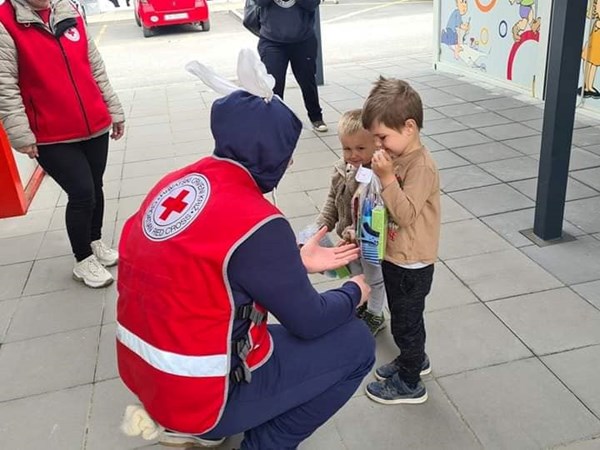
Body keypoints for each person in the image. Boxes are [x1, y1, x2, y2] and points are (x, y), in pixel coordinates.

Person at [116, 85, 375, 448]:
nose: (291, 164)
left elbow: (208, 268)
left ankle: (201, 428)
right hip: (200, 394)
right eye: (287, 155)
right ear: (272, 157)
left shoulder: (175, 183)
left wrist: (293, 262)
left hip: (147, 376)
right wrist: (355, 291)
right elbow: (310, 319)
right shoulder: (258, 222)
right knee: (357, 343)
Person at [0, 0, 125, 288]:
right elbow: (5, 86)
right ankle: (83, 260)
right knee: (82, 192)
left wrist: (113, 110)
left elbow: (95, 66)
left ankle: (94, 241)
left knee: (96, 186)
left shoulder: (68, 9)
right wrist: (21, 135)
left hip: (94, 123)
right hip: (51, 134)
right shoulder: (6, 22)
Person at [361, 77, 440, 405]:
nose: (378, 145)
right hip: (397, 256)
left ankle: (410, 383)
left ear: (409, 127)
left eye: (382, 137)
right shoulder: (399, 158)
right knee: (405, 316)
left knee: (406, 322)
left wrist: (387, 178)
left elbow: (406, 214)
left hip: (412, 262)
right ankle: (414, 358)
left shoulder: (421, 166)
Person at [313, 109, 387, 336]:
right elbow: (332, 201)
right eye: (347, 148)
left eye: (360, 149)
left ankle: (376, 313)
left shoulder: (378, 175)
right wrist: (321, 225)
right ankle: (362, 304)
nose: (353, 155)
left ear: (375, 145)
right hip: (349, 241)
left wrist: (358, 229)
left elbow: (379, 209)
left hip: (370, 240)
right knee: (356, 274)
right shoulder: (340, 170)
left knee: (374, 278)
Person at [255, 0, 328, 133]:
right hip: (271, 41)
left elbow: (312, 4)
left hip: (303, 40)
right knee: (273, 84)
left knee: (307, 81)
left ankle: (316, 117)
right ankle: (274, 121)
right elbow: (260, 2)